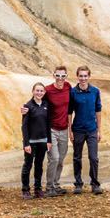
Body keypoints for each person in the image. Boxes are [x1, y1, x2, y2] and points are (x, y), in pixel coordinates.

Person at [68, 66, 102, 194]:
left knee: (93, 158)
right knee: (77, 157)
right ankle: (78, 184)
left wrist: (99, 130)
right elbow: (69, 113)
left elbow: (98, 111)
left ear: (89, 76)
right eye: (81, 76)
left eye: (85, 76)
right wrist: (70, 131)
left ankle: (95, 184)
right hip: (78, 130)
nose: (83, 78)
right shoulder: (73, 92)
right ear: (77, 77)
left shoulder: (95, 91)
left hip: (92, 129)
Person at [42, 66, 71, 195]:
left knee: (60, 159)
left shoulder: (68, 87)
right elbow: (37, 101)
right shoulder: (48, 90)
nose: (60, 78)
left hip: (64, 129)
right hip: (51, 129)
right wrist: (26, 108)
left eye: (63, 76)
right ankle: (49, 187)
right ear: (53, 75)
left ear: (66, 76)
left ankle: (56, 185)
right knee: (54, 158)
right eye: (58, 75)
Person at [21, 82, 51, 199]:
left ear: (44, 93)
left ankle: (38, 189)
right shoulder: (27, 106)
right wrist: (26, 143)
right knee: (28, 165)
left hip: (43, 141)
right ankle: (25, 190)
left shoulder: (46, 105)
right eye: (37, 90)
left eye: (41, 91)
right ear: (33, 91)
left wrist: (49, 141)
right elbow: (24, 126)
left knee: (39, 166)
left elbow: (48, 124)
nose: (39, 93)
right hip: (31, 143)